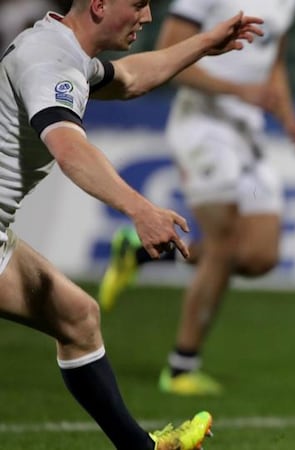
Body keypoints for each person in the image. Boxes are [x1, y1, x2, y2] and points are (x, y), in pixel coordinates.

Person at [0, 0, 262, 448]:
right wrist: (140, 208)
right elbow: (70, 150)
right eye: (137, 5)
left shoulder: (65, 52)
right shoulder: (49, 60)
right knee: (77, 317)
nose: (147, 17)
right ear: (100, 5)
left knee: (78, 318)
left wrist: (202, 43)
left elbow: (132, 79)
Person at [98, 0, 295, 396]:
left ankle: (140, 252)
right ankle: (181, 367)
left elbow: (272, 60)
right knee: (225, 244)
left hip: (247, 132)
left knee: (259, 257)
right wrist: (237, 90)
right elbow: (169, 55)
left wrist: (287, 114)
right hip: (203, 129)